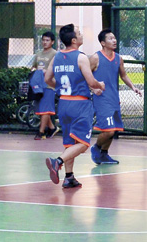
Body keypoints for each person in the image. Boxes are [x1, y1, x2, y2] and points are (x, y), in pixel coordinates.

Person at [44, 24, 105, 188]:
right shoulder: (81, 57)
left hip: (63, 103)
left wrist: (61, 87)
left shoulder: (56, 57)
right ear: (73, 40)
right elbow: (91, 81)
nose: (81, 35)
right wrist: (100, 85)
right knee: (83, 143)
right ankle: (58, 161)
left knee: (69, 142)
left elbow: (47, 79)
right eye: (79, 33)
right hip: (80, 104)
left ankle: (69, 177)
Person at [89, 29, 142, 165]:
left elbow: (123, 75)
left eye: (114, 38)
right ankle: (96, 148)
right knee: (109, 130)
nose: (114, 40)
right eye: (110, 38)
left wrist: (133, 87)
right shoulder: (95, 58)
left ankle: (104, 154)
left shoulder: (118, 58)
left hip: (114, 98)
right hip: (101, 99)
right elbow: (84, 75)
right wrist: (93, 89)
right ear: (103, 43)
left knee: (115, 128)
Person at [31, 31, 58, 140]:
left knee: (46, 108)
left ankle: (41, 132)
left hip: (49, 84)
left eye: (47, 40)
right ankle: (52, 128)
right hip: (38, 85)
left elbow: (57, 69)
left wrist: (47, 71)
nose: (45, 42)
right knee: (41, 108)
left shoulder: (55, 54)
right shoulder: (38, 54)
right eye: (43, 40)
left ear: (52, 42)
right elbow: (34, 66)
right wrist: (34, 71)